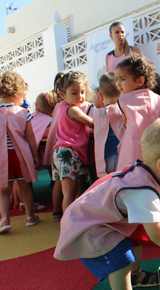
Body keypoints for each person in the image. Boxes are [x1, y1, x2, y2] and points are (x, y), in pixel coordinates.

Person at [54, 116, 160, 290]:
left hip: (102, 220)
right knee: (120, 255)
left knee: (139, 232)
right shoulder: (143, 192)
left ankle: (134, 275)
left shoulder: (156, 178)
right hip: (88, 227)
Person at [0, 71, 40, 234]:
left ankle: (5, 219)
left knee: (3, 189)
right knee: (25, 186)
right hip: (19, 155)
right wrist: (35, 155)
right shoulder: (23, 112)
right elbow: (30, 135)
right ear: (17, 93)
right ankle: (30, 216)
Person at [52, 71, 94, 212]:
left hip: (60, 151)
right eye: (74, 93)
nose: (80, 96)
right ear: (62, 95)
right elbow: (93, 123)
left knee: (68, 191)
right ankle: (68, 225)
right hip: (68, 152)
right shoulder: (73, 110)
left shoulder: (62, 108)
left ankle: (65, 219)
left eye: (82, 92)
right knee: (69, 193)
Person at [115, 53, 160, 171]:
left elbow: (126, 123)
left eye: (122, 79)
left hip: (133, 150)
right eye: (118, 79)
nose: (119, 84)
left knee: (130, 179)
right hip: (156, 149)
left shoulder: (124, 99)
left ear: (140, 80)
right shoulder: (159, 99)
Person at [94, 72, 125, 178]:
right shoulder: (122, 109)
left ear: (100, 95)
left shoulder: (97, 114)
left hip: (105, 159)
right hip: (122, 156)